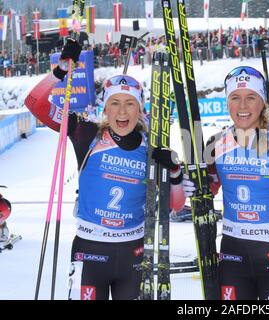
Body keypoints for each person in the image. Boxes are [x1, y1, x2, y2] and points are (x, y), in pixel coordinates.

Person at [26, 38, 185, 300]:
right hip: (89, 252)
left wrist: (176, 174)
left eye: (130, 103)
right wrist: (62, 70)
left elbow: (176, 206)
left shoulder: (152, 148)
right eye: (115, 103)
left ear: (140, 108)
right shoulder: (85, 132)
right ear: (105, 107)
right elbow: (35, 103)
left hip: (134, 254)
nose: (122, 112)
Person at [182, 66, 269, 300]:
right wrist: (188, 185)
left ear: (262, 102)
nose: (242, 106)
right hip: (233, 253)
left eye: (251, 98)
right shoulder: (216, 143)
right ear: (228, 102)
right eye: (235, 98)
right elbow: (206, 191)